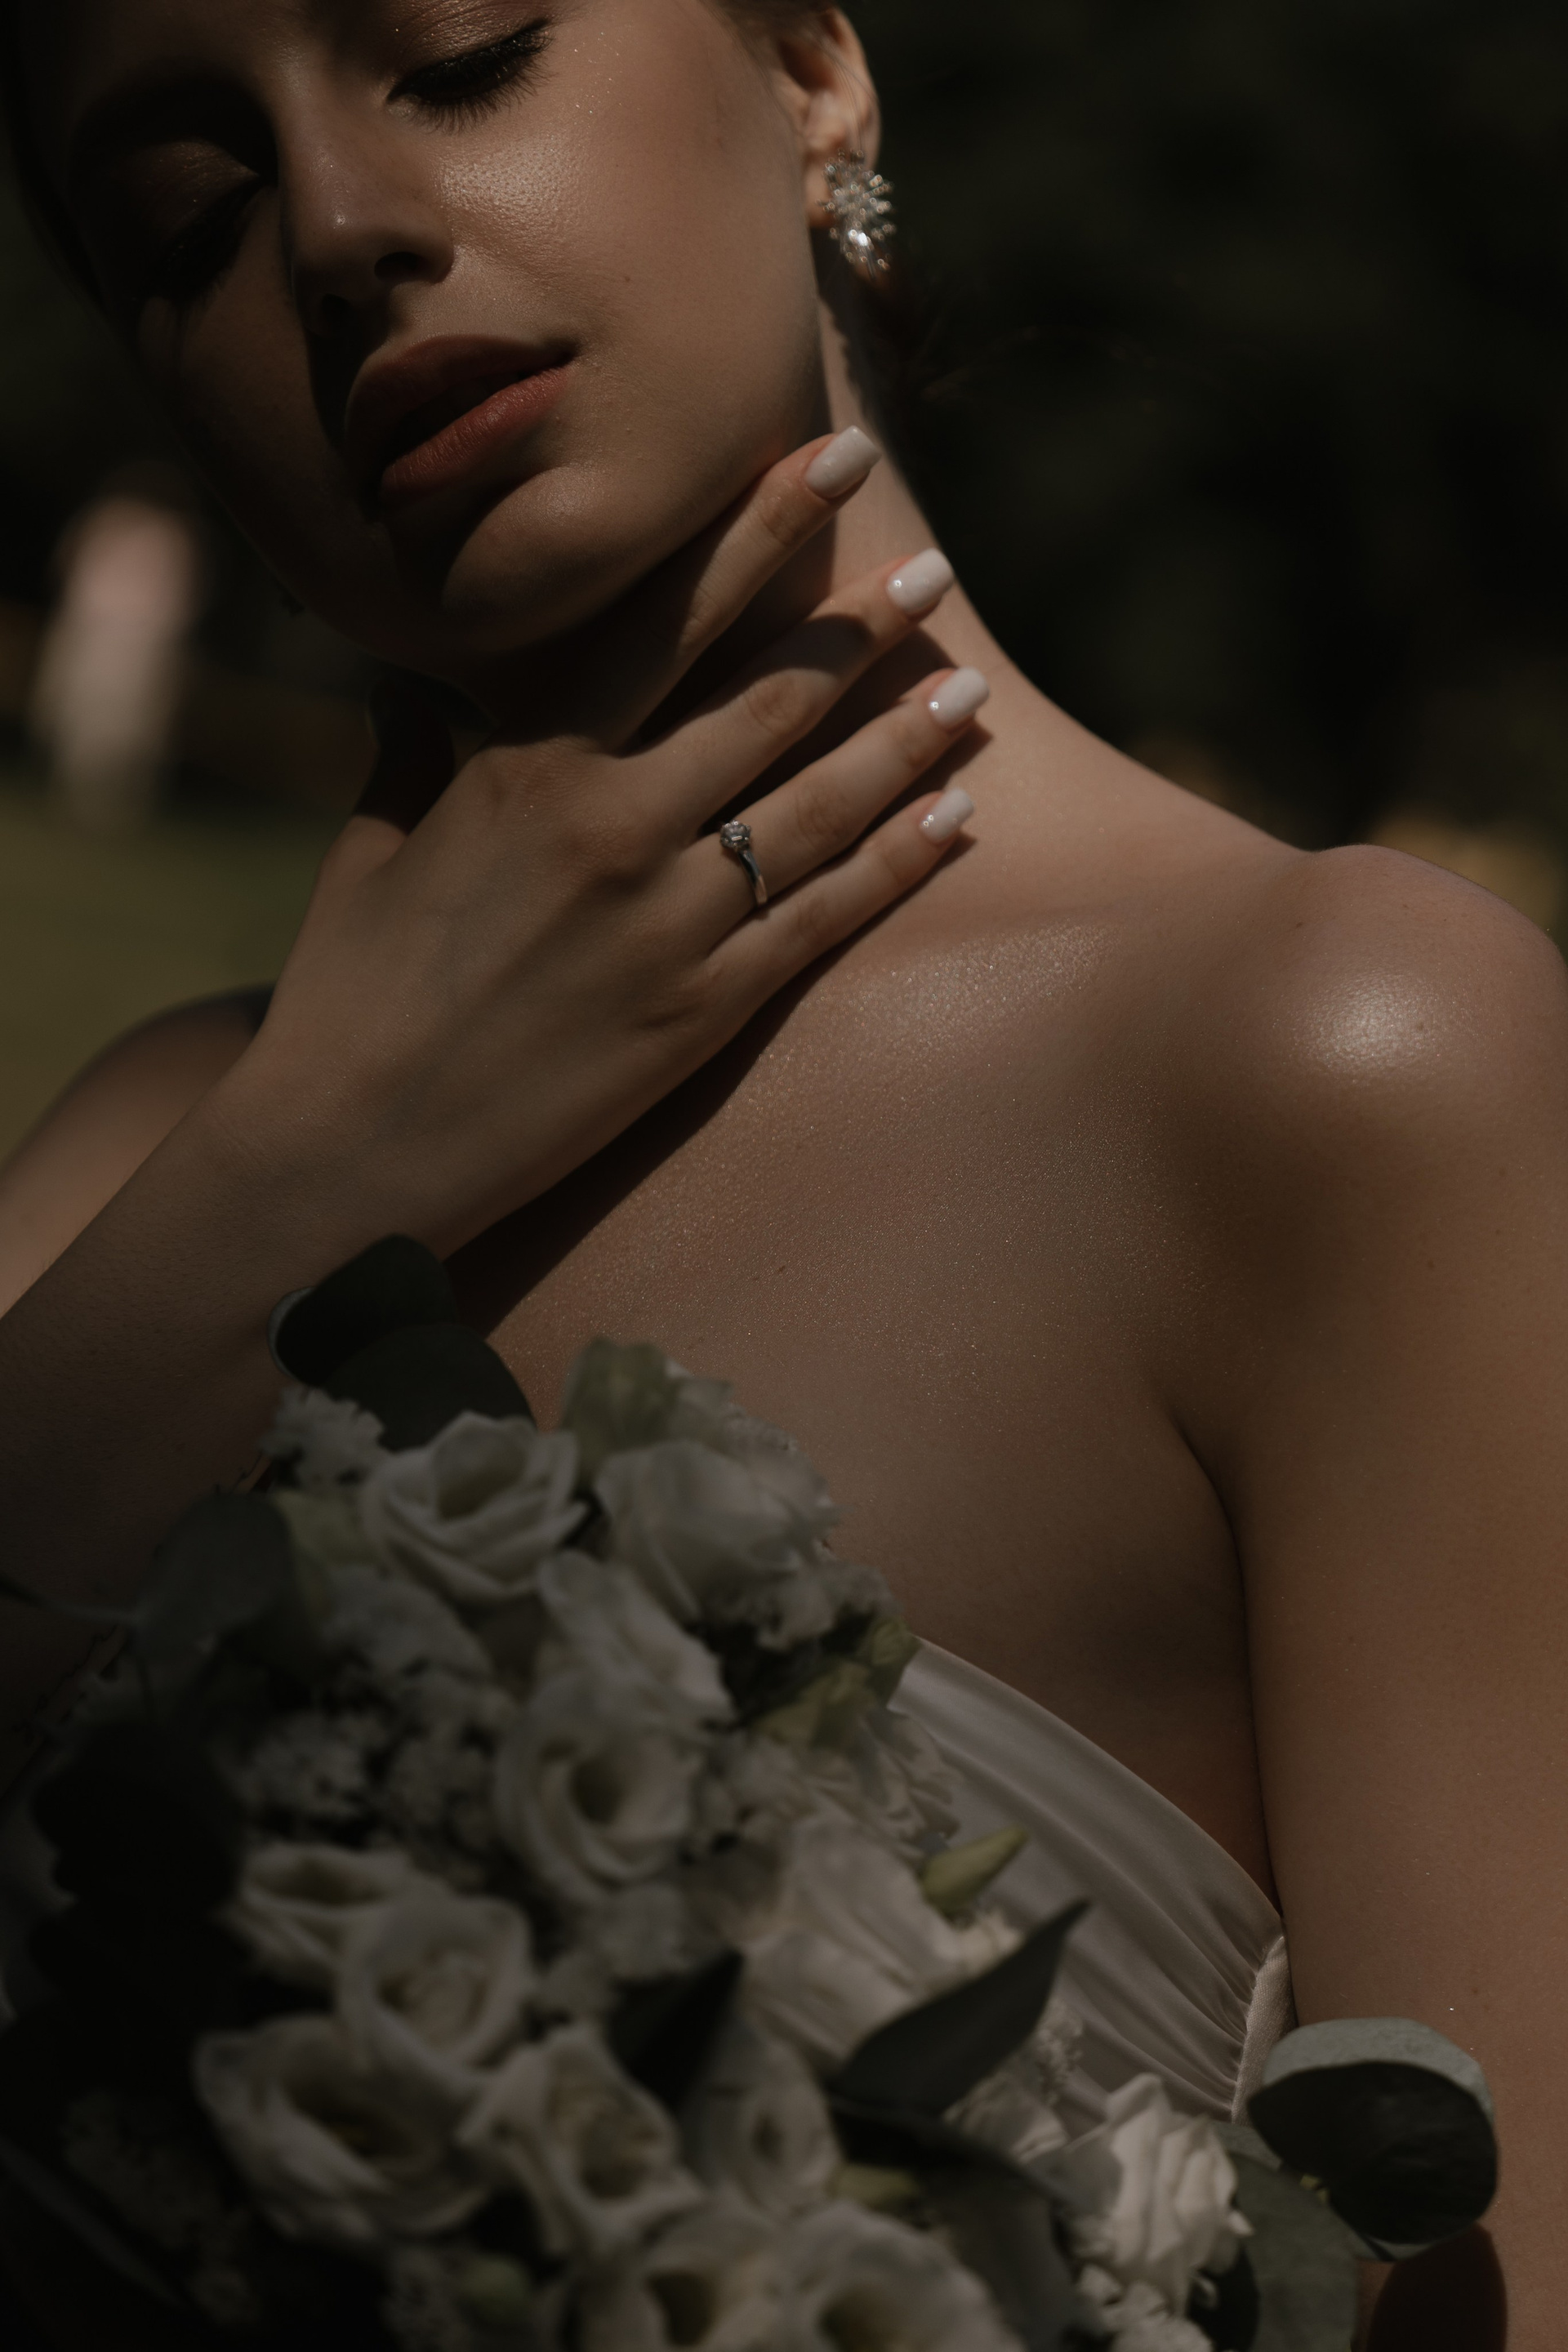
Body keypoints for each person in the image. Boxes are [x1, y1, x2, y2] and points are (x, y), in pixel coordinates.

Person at [0, 3, 1558, 2341]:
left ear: (814, 68)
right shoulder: (151, 1156)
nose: (329, 228)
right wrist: (300, 1180)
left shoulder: (1330, 1057)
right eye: (184, 223)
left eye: (461, 48)